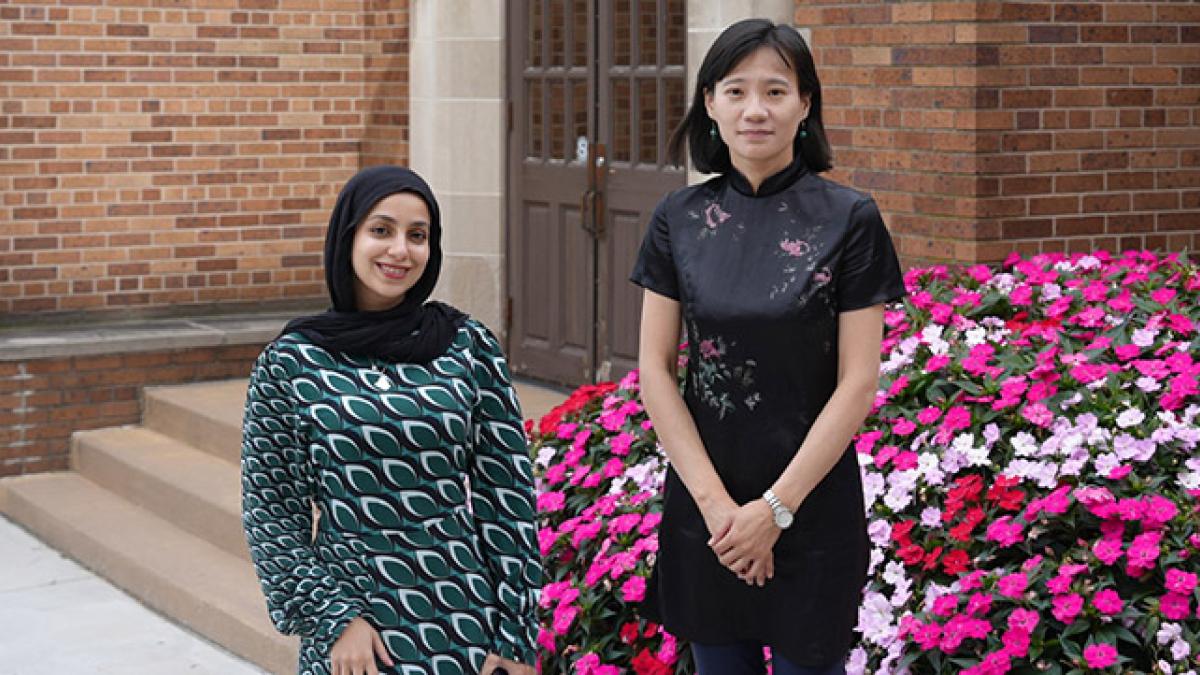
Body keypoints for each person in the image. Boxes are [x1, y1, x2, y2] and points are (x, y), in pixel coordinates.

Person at [630, 19, 906, 675]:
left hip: (812, 513)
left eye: (776, 91)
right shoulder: (678, 218)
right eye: (736, 90)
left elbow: (858, 382)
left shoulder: (850, 219)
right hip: (708, 516)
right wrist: (724, 512)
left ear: (806, 104)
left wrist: (774, 512)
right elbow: (654, 369)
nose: (755, 109)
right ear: (710, 102)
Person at [240, 166, 540, 675]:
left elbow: (506, 499)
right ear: (348, 236)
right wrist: (334, 618)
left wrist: (515, 635)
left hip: (463, 621)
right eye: (381, 230)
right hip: (355, 638)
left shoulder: (467, 347)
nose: (400, 250)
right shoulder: (292, 363)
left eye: (417, 235)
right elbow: (272, 515)